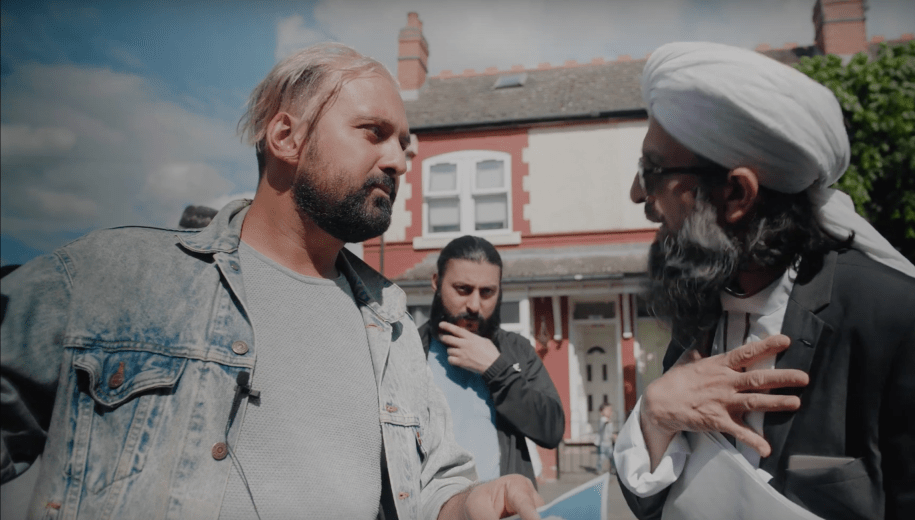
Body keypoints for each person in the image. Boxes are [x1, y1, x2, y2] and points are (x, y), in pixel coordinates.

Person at [0, 43, 542, 520]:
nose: (399, 160)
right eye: (374, 133)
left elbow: (428, 488)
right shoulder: (113, 276)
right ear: (286, 136)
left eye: (403, 143)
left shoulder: (394, 324)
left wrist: (468, 506)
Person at [614, 41, 915, 520]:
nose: (638, 193)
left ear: (736, 193)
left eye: (654, 170)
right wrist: (653, 417)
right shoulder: (699, 314)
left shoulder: (912, 329)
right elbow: (655, 502)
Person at [419, 235, 564, 486]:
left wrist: (497, 370)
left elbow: (551, 430)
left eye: (487, 292)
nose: (474, 305)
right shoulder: (409, 349)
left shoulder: (516, 350)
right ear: (436, 282)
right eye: (462, 289)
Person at [596, 403, 616, 474]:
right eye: (607, 410)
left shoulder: (609, 421)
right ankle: (599, 469)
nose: (609, 411)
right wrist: (607, 422)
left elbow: (609, 432)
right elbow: (604, 424)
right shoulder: (603, 420)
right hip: (602, 443)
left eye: (610, 410)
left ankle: (613, 469)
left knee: (612, 457)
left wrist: (613, 436)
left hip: (609, 443)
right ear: (602, 412)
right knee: (601, 457)